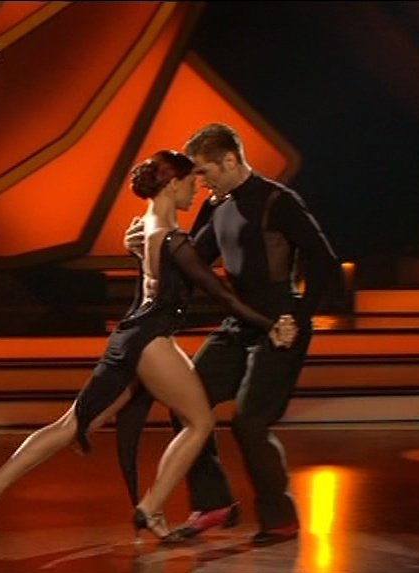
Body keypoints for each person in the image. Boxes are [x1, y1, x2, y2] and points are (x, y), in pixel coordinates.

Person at [0, 150, 297, 542]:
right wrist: (270, 324)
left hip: (131, 335)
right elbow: (222, 295)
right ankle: (151, 508)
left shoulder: (145, 227)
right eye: (190, 183)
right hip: (150, 340)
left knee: (72, 424)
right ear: (173, 184)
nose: (195, 190)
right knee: (199, 422)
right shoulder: (174, 240)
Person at [124, 124, 342, 546]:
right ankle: (214, 503)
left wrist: (299, 316)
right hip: (239, 324)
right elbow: (191, 262)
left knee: (250, 422)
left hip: (279, 326)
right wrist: (142, 248)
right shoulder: (216, 205)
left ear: (229, 160)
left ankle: (280, 518)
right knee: (187, 405)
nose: (201, 181)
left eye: (205, 172)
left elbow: (323, 261)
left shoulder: (278, 201)